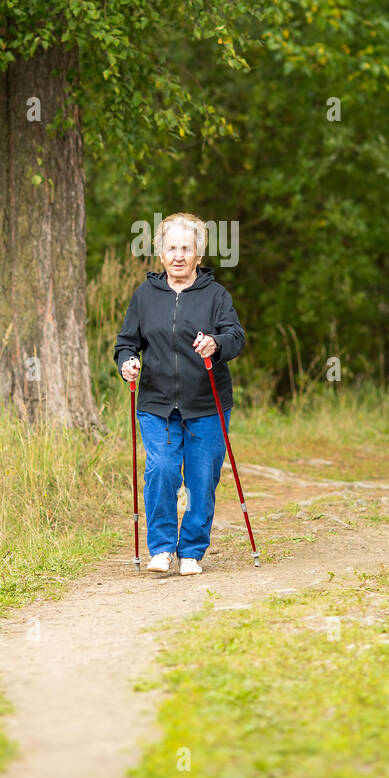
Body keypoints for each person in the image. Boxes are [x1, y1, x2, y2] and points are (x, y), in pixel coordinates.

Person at [114, 212, 246, 575]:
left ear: (198, 255)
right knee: (161, 470)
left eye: (186, 249)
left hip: (207, 404)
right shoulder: (145, 296)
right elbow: (127, 343)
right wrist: (127, 362)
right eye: (171, 247)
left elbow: (236, 338)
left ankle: (191, 551)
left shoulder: (216, 295)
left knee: (202, 479)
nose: (178, 255)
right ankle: (160, 549)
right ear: (160, 253)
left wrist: (215, 343)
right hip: (156, 403)